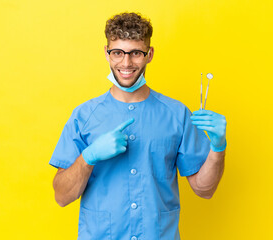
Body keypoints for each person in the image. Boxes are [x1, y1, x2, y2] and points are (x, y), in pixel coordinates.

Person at [49, 12, 227, 240]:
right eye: (117, 52)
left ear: (149, 54)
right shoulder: (84, 116)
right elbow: (62, 197)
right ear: (106, 53)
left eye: (135, 53)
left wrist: (218, 147)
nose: (126, 62)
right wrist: (88, 157)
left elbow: (205, 190)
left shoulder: (176, 114)